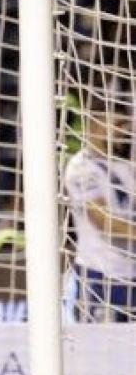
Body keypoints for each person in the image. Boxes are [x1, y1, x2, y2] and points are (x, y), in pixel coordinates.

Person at [64, 99, 136, 322]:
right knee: (98, 353)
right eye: (119, 124)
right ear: (97, 122)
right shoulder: (81, 167)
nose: (124, 131)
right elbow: (104, 222)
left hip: (130, 277)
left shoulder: (126, 167)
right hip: (98, 277)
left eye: (126, 124)